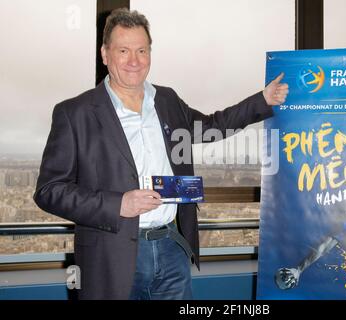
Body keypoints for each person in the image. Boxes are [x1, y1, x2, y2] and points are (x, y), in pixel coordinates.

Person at [33, 8, 288, 300]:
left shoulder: (166, 100)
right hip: (110, 255)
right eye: (124, 50)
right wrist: (118, 204)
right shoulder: (74, 113)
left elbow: (213, 127)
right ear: (105, 54)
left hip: (171, 248)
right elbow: (49, 191)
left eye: (142, 50)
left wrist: (263, 100)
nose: (134, 61)